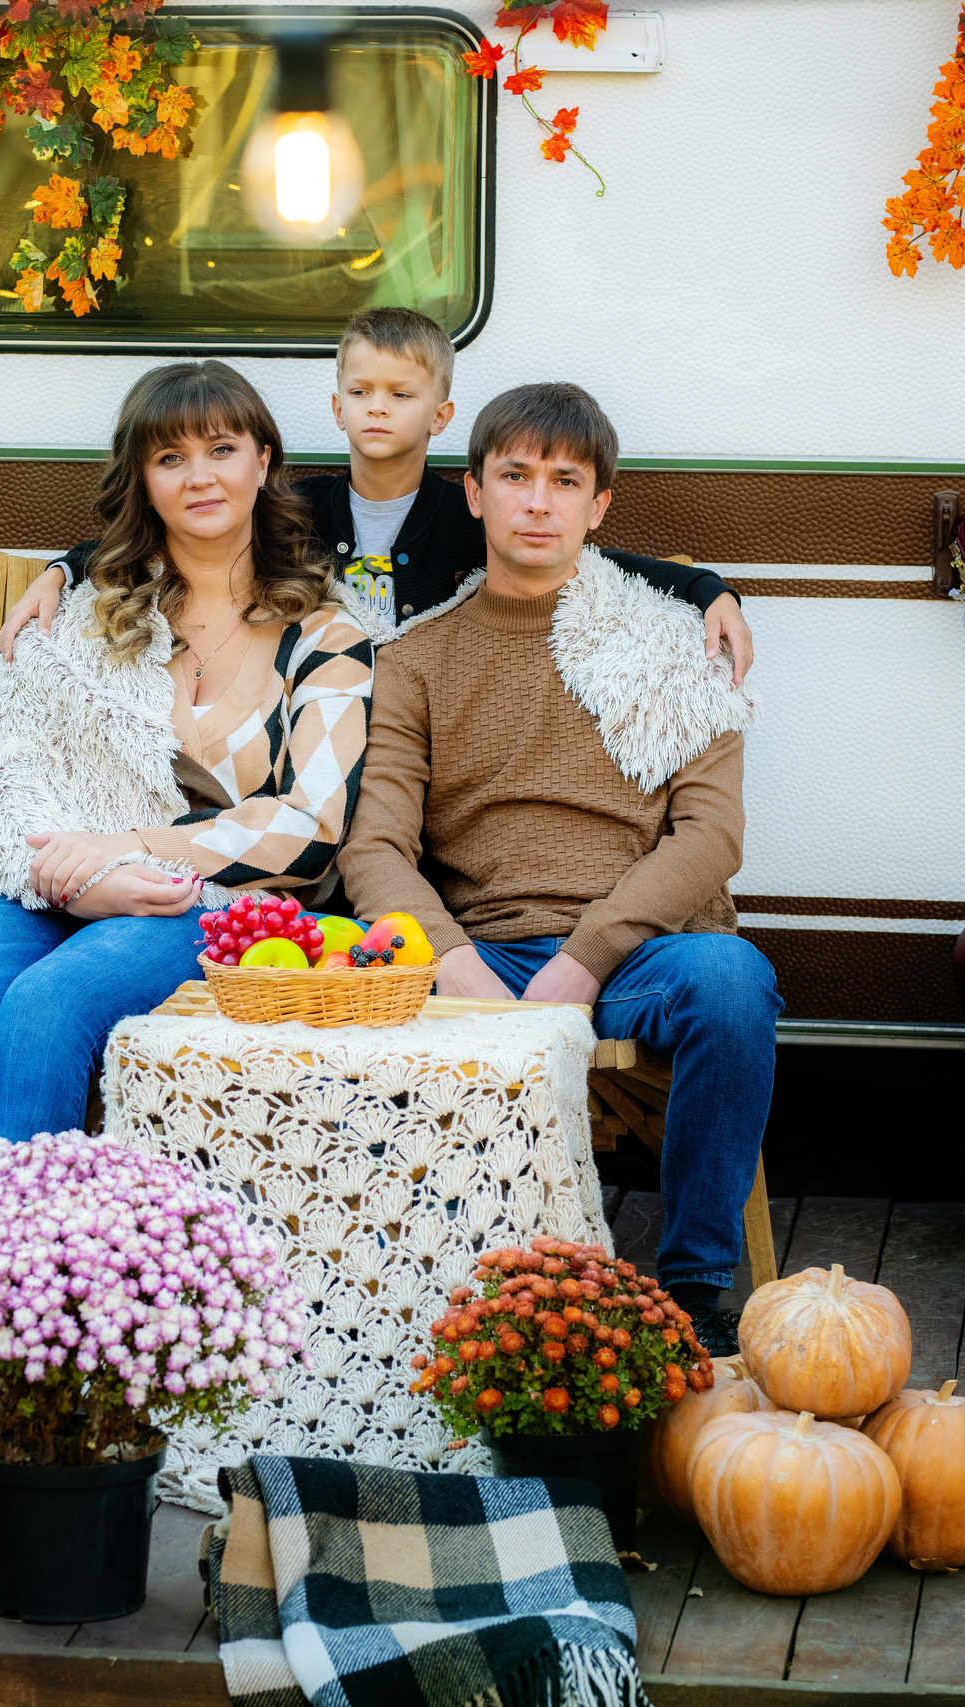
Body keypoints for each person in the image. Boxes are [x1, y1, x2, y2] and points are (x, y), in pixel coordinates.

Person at [0, 360, 375, 1233]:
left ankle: (5, 1298)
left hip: (206, 901)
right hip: (47, 879)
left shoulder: (327, 633)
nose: (200, 474)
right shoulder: (86, 613)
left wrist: (125, 851)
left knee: (44, 1007)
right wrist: (72, 875)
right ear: (142, 479)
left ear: (263, 462)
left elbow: (309, 829)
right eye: (170, 458)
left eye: (222, 448)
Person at [337, 382, 777, 1352]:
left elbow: (710, 837)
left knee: (735, 984)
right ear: (474, 493)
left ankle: (695, 1291)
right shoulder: (412, 662)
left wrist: (583, 962)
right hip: (476, 955)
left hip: (634, 957)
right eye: (516, 477)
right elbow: (373, 845)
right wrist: (454, 968)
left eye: (564, 481)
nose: (538, 502)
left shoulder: (674, 647)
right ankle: (412, 1288)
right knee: (346, 1006)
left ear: (599, 506)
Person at [0, 307, 755, 684]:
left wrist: (708, 588)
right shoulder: (297, 507)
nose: (379, 407)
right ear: (336, 408)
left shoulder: (468, 513)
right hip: (312, 707)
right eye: (360, 390)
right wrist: (66, 568)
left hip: (419, 712)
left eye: (401, 392)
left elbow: (588, 554)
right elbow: (177, 530)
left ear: (442, 415)